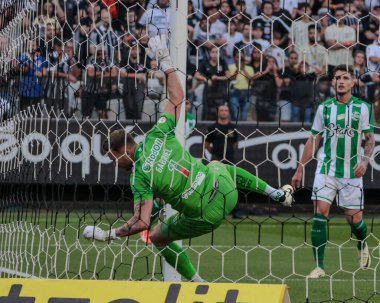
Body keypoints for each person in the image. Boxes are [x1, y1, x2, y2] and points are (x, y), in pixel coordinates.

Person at [83, 35, 294, 281]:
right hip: (227, 191)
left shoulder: (140, 177)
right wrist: (166, 61)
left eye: (112, 157)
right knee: (216, 165)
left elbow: (141, 222)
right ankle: (276, 193)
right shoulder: (157, 134)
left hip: (208, 215)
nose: (114, 162)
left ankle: (197, 283)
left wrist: (107, 234)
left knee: (156, 236)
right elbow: (177, 98)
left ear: (122, 152)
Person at [291, 65, 375, 279]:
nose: (340, 81)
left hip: (351, 171)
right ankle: (319, 267)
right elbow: (314, 139)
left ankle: (362, 244)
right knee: (320, 212)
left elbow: (369, 138)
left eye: (345, 77)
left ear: (353, 83)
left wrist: (365, 161)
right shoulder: (325, 108)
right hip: (326, 168)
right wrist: (300, 167)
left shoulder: (363, 108)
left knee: (354, 220)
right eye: (337, 77)